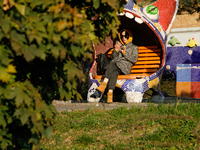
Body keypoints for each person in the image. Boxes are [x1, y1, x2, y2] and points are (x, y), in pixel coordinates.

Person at [91, 30, 138, 103]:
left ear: (130, 36)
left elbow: (134, 59)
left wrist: (124, 53)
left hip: (124, 68)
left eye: (126, 36)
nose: (124, 38)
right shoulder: (121, 46)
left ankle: (104, 84)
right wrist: (116, 50)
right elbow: (113, 58)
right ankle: (110, 94)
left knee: (112, 64)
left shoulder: (134, 47)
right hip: (116, 67)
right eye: (122, 36)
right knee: (114, 73)